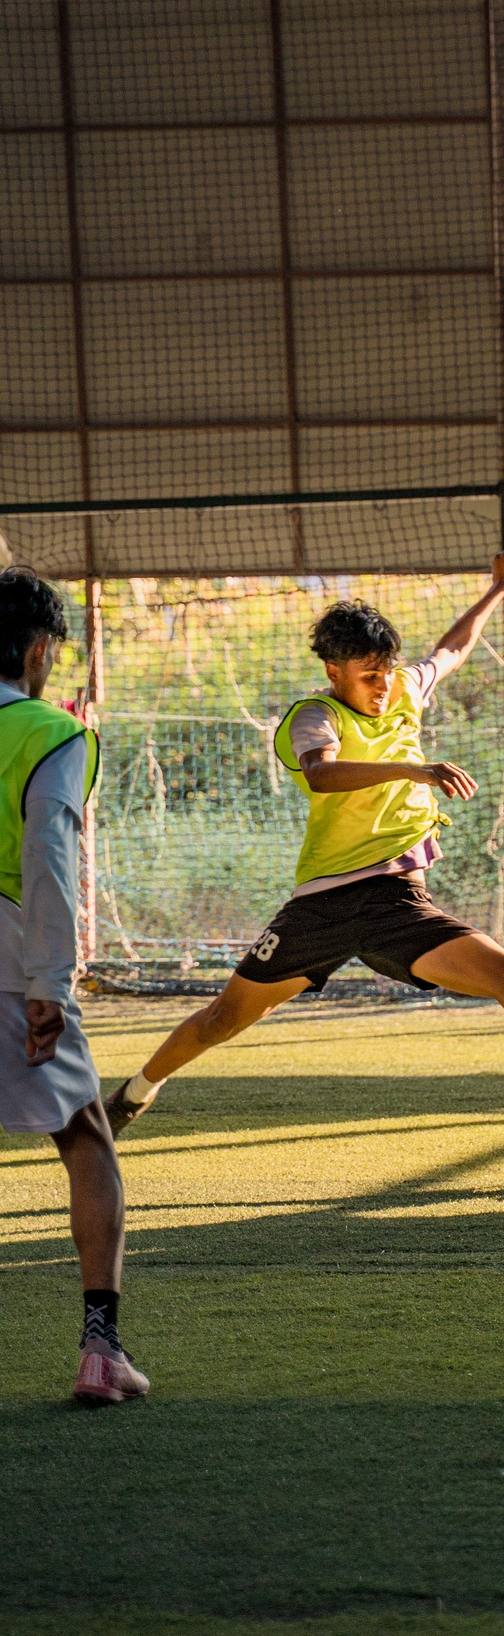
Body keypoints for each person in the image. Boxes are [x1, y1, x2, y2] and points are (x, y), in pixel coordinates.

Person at [105, 548, 504, 1138]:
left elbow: (452, 650)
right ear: (334, 671)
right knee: (221, 1020)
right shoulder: (315, 716)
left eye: (386, 671)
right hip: (323, 907)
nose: (383, 686)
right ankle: (130, 1096)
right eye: (369, 676)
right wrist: (415, 771)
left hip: (398, 904)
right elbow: (321, 774)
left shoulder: (404, 687)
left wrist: (498, 588)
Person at [0, 569, 149, 1404]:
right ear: (38, 650)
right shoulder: (49, 733)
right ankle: (101, 1352)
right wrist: (48, 985)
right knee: (88, 1136)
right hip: (10, 955)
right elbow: (47, 860)